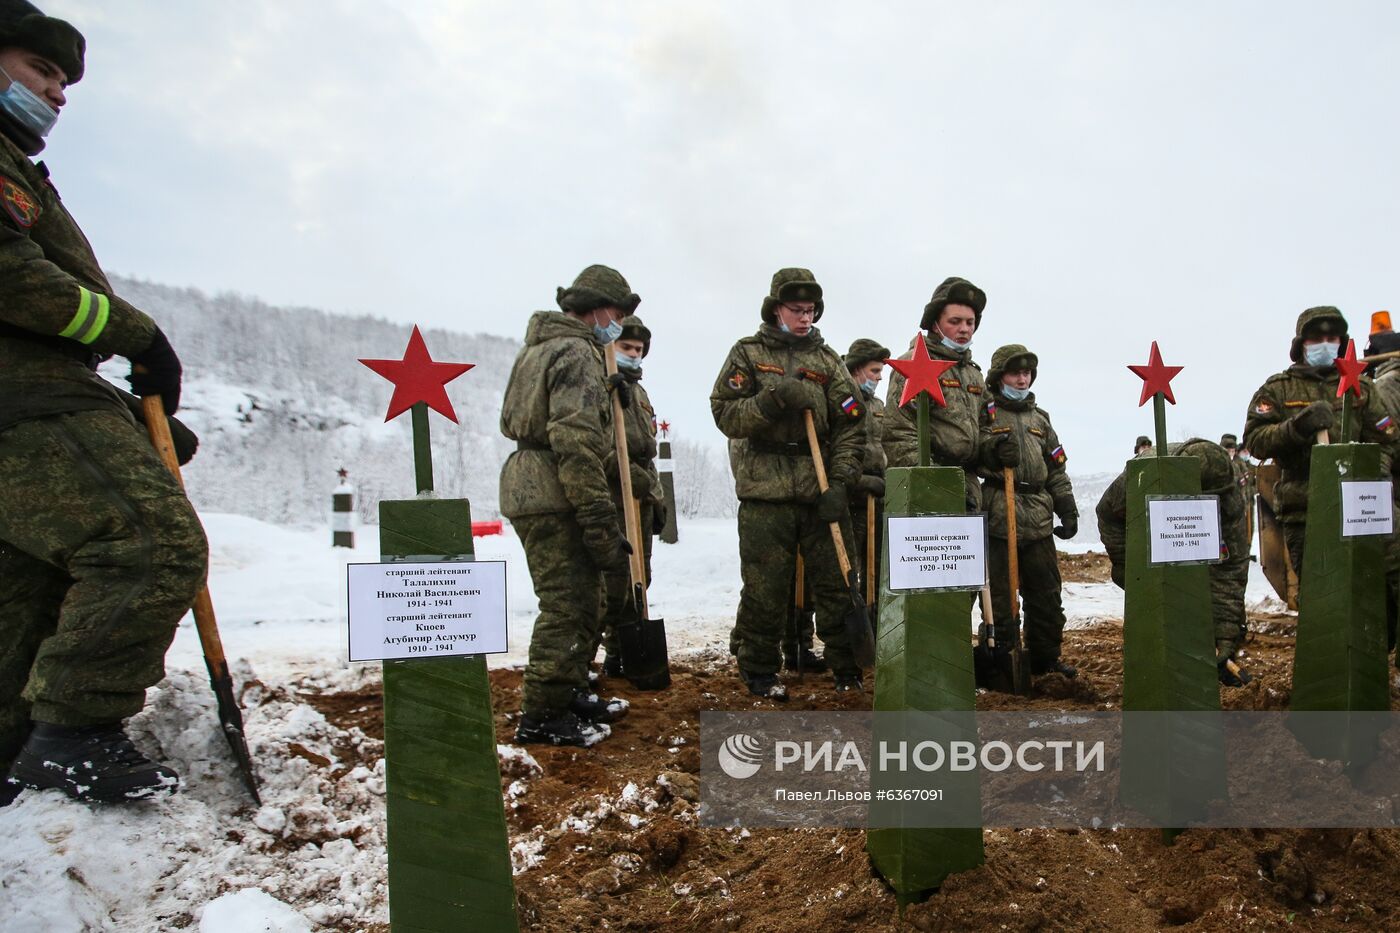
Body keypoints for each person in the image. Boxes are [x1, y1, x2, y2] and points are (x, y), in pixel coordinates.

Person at [0, 2, 209, 805]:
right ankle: (75, 734)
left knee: (27, 591)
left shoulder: (22, 171)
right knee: (149, 540)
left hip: (35, 394)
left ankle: (18, 753)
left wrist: (127, 413)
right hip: (24, 403)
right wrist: (137, 333)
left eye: (62, 81)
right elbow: (16, 283)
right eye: (40, 70)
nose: (56, 92)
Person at [711, 268, 868, 698]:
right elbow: (726, 415)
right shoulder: (747, 354)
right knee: (766, 587)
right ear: (776, 308)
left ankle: (846, 669)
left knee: (838, 582)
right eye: (796, 310)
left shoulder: (828, 361)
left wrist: (840, 482)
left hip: (819, 488)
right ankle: (760, 670)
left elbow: (854, 424)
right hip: (766, 492)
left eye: (811, 310)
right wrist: (774, 399)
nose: (805, 318)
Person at [500, 265, 635, 746]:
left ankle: (571, 687)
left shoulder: (538, 348)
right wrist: (598, 518)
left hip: (532, 485)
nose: (616, 323)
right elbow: (575, 443)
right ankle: (543, 714)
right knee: (568, 603)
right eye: (615, 313)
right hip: (555, 490)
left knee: (588, 597)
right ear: (595, 307)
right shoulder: (577, 351)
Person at [1243, 306, 1396, 574]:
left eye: (1332, 339)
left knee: (1374, 587)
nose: (1325, 345)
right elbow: (1255, 441)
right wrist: (1296, 428)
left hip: (1363, 511)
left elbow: (1388, 438)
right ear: (1301, 344)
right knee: (1319, 595)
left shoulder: (1361, 387)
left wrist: (1373, 472)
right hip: (1305, 511)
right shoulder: (1278, 389)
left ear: (1342, 343)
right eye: (1316, 339)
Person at [1096, 439, 1253, 686]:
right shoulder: (1143, 474)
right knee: (1160, 612)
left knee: (1217, 611)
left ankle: (1220, 660)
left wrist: (1226, 628)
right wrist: (1130, 568)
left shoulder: (1226, 491)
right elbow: (1107, 514)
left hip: (1195, 541)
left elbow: (1231, 566)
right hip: (1150, 538)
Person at [977, 344, 1078, 679]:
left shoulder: (1040, 420)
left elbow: (1057, 470)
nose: (1022, 379)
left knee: (1046, 595)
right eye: (1014, 373)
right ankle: (1004, 658)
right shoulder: (985, 412)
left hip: (1037, 515)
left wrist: (1067, 509)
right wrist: (991, 451)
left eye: (1027, 373)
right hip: (998, 514)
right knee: (1002, 599)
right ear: (998, 376)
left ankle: (1046, 658)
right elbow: (970, 451)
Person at [595, 315, 665, 678]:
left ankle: (630, 650)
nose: (634, 355)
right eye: (627, 348)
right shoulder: (600, 384)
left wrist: (655, 495)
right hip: (612, 493)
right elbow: (596, 445)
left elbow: (645, 450)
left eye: (639, 350)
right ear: (610, 347)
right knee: (617, 581)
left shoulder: (638, 392)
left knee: (642, 576)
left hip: (639, 492)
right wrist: (621, 473)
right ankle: (615, 652)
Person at [883, 277, 988, 512]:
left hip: (968, 484)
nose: (964, 329)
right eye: (955, 321)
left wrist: (993, 448)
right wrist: (939, 484)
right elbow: (898, 434)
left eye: (970, 322)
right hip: (925, 486)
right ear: (935, 324)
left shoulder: (973, 375)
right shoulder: (912, 365)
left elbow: (986, 425)